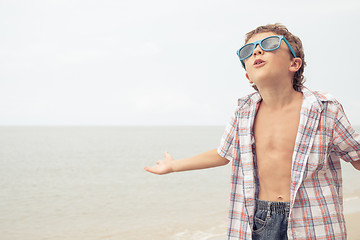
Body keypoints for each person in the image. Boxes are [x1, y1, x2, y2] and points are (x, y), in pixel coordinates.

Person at [144, 23, 360, 240]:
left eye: (269, 44)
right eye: (248, 51)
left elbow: (356, 155)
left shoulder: (324, 108)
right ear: (248, 76)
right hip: (260, 219)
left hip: (313, 219)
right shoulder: (244, 112)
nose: (257, 51)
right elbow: (223, 153)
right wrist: (173, 166)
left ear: (294, 63)